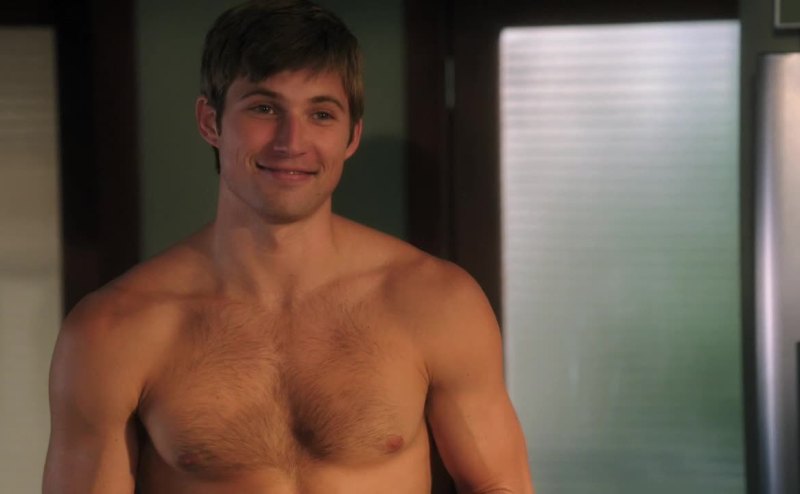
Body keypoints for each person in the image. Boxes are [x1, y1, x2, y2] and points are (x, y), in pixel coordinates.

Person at [43, 1, 534, 492]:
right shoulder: (114, 328)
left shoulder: (437, 302)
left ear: (351, 135)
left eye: (321, 114)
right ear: (210, 122)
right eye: (264, 108)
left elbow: (500, 485)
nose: (291, 141)